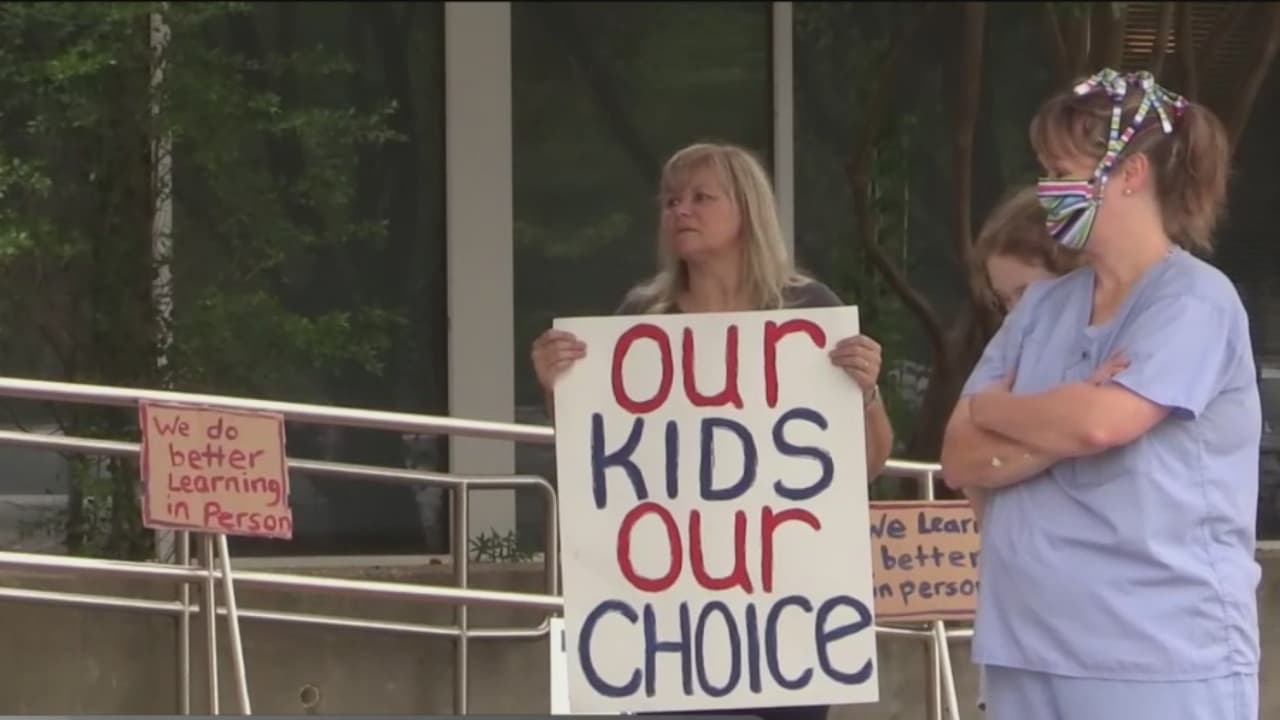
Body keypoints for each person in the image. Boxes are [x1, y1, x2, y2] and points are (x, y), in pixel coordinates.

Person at [531, 141, 895, 720]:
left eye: (702, 197)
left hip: (785, 603)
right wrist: (562, 392)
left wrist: (867, 391)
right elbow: (601, 462)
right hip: (672, 608)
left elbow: (867, 464)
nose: (681, 211)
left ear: (747, 209)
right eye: (671, 200)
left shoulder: (805, 311)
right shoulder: (641, 321)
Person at [941, 68, 1261, 720]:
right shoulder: (1042, 307)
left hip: (1152, 651)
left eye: (1060, 169)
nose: (1046, 190)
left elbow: (1099, 425)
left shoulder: (1194, 299)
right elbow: (960, 457)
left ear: (1131, 174)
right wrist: (1058, 416)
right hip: (1025, 643)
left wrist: (1001, 411)